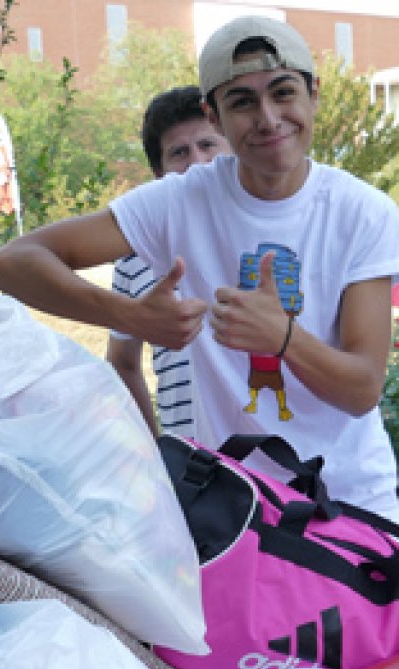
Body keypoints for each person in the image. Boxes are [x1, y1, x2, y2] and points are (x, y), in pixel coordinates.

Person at [0, 16, 399, 519]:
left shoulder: (362, 211)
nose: (269, 118)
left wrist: (283, 337)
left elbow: (362, 389)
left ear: (313, 95)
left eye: (283, 93)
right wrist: (129, 316)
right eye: (242, 102)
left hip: (352, 502)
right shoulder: (181, 200)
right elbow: (12, 264)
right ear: (215, 116)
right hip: (235, 508)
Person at [107, 85, 228, 438]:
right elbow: (123, 361)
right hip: (191, 467)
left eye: (207, 145)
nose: (197, 161)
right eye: (179, 152)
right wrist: (156, 448)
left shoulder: (261, 233)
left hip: (275, 460)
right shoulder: (134, 255)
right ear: (159, 175)